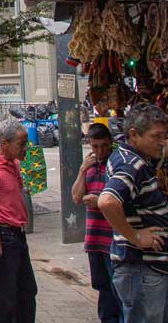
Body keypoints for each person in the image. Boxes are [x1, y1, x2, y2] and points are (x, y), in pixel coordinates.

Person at [98, 103, 168, 323]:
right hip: (141, 269)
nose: (162, 141)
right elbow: (107, 201)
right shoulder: (131, 165)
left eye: (163, 136)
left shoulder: (137, 153)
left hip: (152, 269)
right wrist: (136, 236)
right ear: (134, 135)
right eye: (156, 136)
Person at [0, 120, 37, 323]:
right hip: (5, 236)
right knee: (4, 296)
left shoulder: (14, 163)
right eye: (21, 144)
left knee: (27, 290)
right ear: (4, 143)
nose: (25, 149)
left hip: (19, 235)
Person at [72, 123, 121, 323]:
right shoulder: (90, 166)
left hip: (114, 239)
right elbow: (76, 197)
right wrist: (83, 170)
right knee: (103, 288)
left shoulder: (117, 164)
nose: (100, 151)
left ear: (110, 143)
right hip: (95, 239)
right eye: (95, 146)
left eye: (104, 146)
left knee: (118, 288)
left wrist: (99, 200)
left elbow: (122, 199)